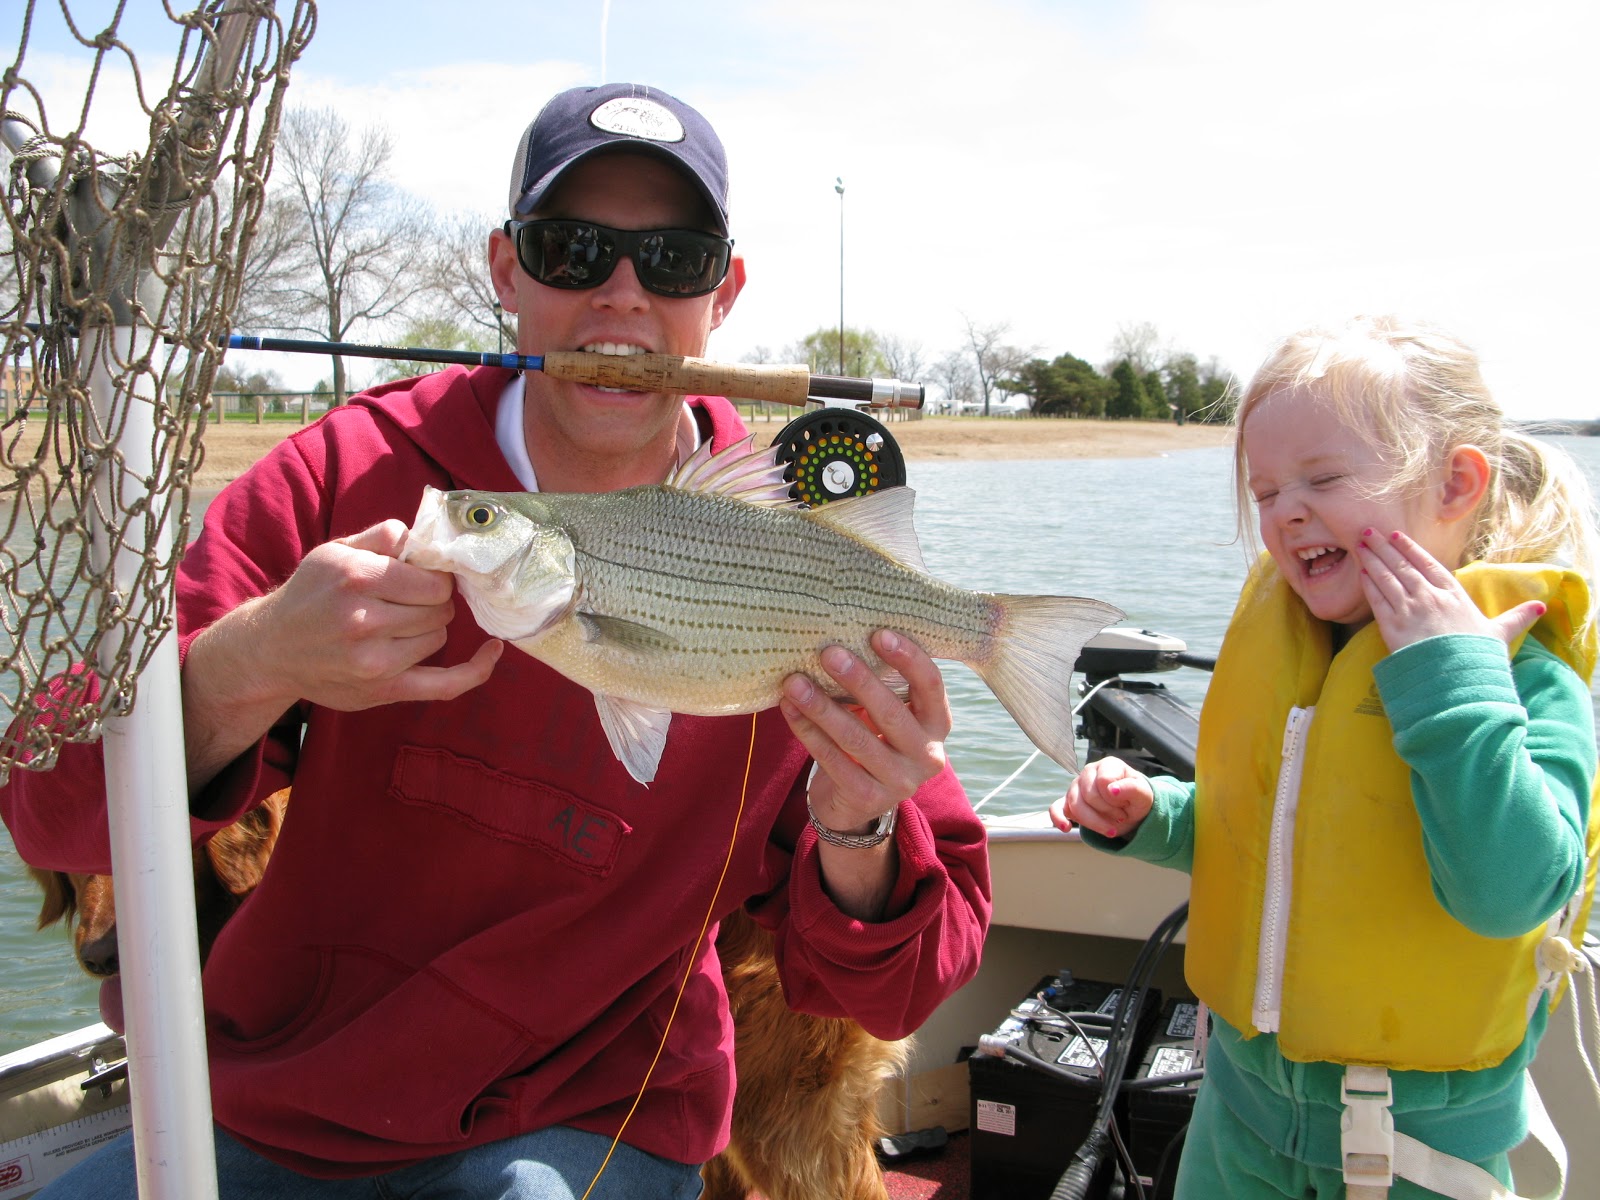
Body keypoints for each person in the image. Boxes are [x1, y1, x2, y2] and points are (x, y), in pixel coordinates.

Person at [0, 82, 991, 1198]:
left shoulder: (782, 554)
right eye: (572, 251)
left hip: (590, 1119)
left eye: (672, 261)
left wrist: (857, 827)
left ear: (724, 292)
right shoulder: (347, 476)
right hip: (278, 1102)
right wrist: (254, 661)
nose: (622, 301)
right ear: (507, 270)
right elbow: (51, 803)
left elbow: (898, 987)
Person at [1052, 314, 1599, 1200]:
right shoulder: (1299, 652)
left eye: (1324, 478)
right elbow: (1263, 843)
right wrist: (1154, 816)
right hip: (1239, 1117)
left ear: (1456, 483)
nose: (1286, 511)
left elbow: (1511, 895)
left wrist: (1451, 686)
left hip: (1414, 1147)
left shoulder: (1522, 678)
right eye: (1265, 492)